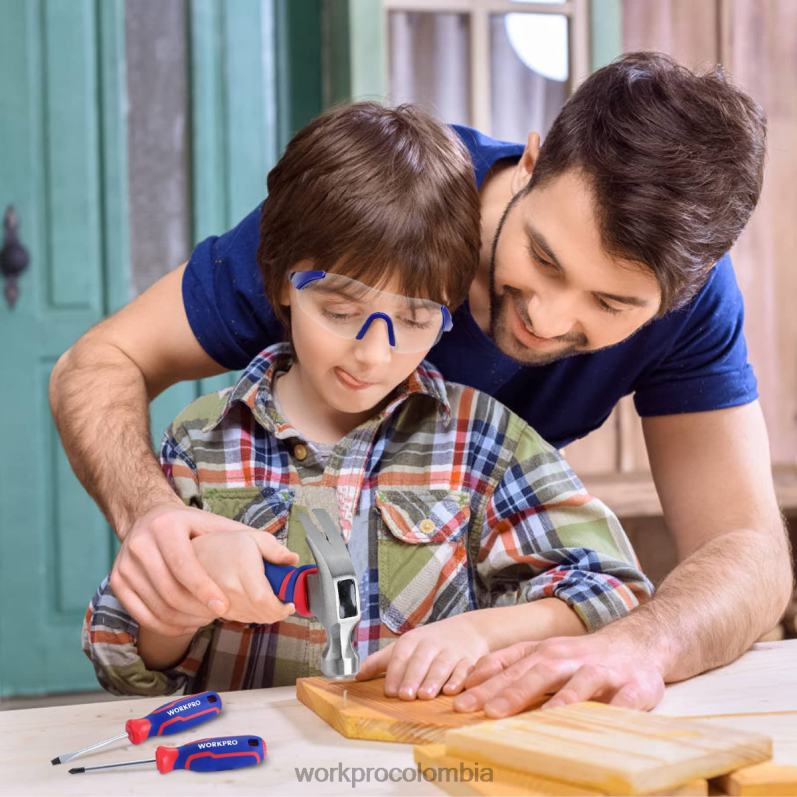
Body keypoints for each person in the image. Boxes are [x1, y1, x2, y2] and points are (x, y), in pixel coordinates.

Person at [54, 53, 791, 715]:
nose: (545, 316)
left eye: (610, 305)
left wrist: (640, 643)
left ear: (678, 296)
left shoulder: (686, 306)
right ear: (530, 162)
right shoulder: (381, 217)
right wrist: (159, 526)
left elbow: (749, 555)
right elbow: (97, 363)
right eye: (544, 258)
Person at [81, 103, 653, 697]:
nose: (373, 356)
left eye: (414, 320)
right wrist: (187, 593)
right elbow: (121, 657)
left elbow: (615, 591)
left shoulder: (484, 442)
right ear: (279, 281)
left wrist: (483, 633)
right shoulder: (204, 440)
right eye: (339, 311)